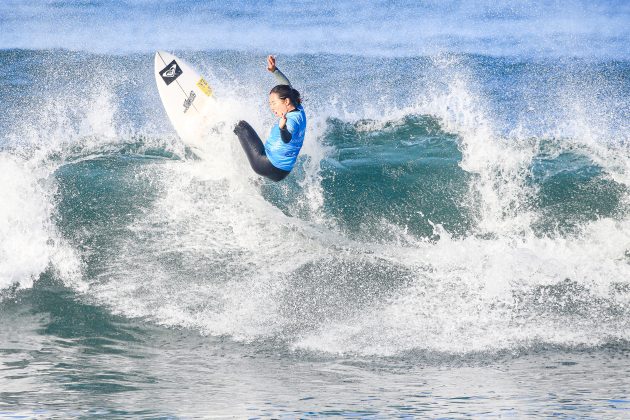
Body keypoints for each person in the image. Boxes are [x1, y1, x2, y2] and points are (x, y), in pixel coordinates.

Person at [233, 55, 307, 182]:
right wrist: (274, 70)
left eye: (274, 103)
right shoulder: (299, 109)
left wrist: (282, 127)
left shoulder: (291, 121)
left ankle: (214, 126)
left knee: (240, 125)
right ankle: (255, 182)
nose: (272, 107)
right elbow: (287, 86)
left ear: (286, 101)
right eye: (270, 104)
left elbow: (287, 139)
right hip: (282, 172)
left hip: (265, 164)